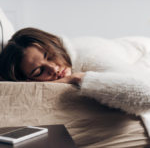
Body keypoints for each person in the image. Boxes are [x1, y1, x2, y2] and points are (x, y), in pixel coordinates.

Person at [1, 27, 150, 137]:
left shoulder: (91, 55)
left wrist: (78, 78)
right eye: (39, 71)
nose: (53, 68)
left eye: (50, 56)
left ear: (55, 45)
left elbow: (145, 95)